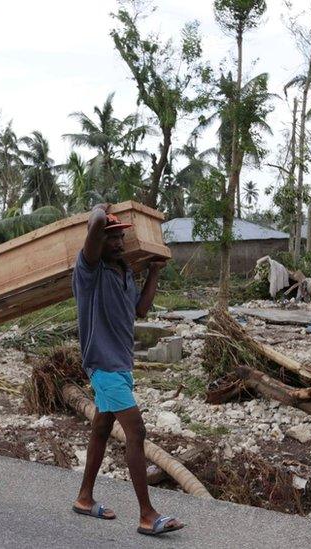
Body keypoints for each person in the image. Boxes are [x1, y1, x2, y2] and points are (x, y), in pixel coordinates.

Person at [70, 204, 184, 536]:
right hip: (102, 366)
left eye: (121, 238)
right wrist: (100, 210)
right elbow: (95, 223)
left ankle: (84, 497)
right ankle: (147, 515)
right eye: (112, 238)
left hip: (121, 366)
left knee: (102, 431)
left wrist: (153, 272)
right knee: (136, 433)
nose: (119, 243)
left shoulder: (123, 272)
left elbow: (140, 310)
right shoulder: (89, 270)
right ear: (98, 243)